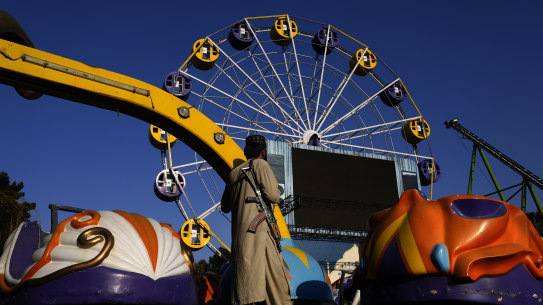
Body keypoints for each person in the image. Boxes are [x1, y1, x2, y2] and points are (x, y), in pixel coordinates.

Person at [221, 135, 291, 305]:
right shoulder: (260, 164)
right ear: (263, 151)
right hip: (260, 232)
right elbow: (274, 195)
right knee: (276, 284)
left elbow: (224, 206)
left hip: (240, 237)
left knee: (247, 285)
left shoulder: (233, 174)